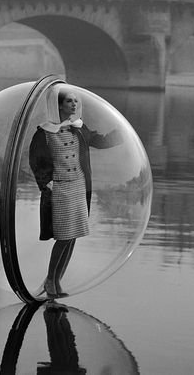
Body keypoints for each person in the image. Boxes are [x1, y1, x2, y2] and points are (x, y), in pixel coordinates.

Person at [29, 86, 122, 299]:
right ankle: (50, 279)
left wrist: (121, 134)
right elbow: (36, 161)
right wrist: (47, 183)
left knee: (73, 236)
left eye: (76, 101)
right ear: (59, 105)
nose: (74, 104)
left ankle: (57, 279)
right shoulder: (43, 133)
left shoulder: (78, 128)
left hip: (79, 186)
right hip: (60, 188)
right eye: (69, 101)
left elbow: (100, 141)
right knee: (63, 236)